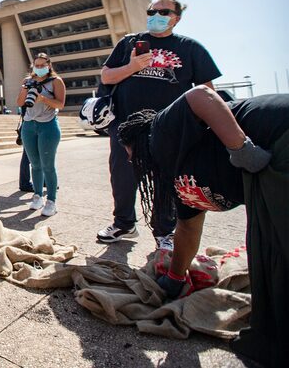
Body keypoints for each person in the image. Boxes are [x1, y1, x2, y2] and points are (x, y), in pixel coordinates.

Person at [116, 86, 288, 367]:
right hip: (272, 162)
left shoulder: (159, 133)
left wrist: (240, 148)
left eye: (129, 151)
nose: (130, 160)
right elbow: (188, 229)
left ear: (139, 140)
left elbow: (200, 96)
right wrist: (175, 278)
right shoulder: (177, 176)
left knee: (277, 251)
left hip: (279, 137)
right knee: (268, 253)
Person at [96, 0, 221, 251]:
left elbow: (208, 90)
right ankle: (124, 223)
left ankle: (164, 231)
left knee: (165, 180)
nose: (155, 15)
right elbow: (107, 76)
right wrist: (132, 66)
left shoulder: (190, 48)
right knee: (121, 176)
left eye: (163, 11)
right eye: (151, 10)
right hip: (126, 126)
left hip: (168, 127)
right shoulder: (129, 42)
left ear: (176, 17)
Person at [15, 53, 65, 217]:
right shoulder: (28, 81)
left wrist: (42, 98)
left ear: (49, 65)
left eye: (43, 65)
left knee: (48, 165)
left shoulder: (56, 81)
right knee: (34, 164)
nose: (39, 68)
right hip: (29, 125)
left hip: (48, 126)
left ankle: (51, 201)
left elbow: (60, 104)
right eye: (37, 65)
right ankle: (37, 196)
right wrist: (26, 88)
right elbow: (20, 103)